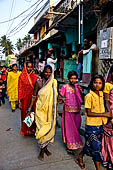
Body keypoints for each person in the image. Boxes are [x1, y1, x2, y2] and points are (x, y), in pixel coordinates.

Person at [75, 75, 112, 170]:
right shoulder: (89, 96)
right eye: (95, 82)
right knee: (96, 149)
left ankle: (80, 157)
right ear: (92, 83)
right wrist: (104, 114)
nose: (97, 85)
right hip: (91, 126)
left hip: (100, 125)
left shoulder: (101, 95)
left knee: (89, 145)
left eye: (100, 83)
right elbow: (89, 112)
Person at [27, 65, 57, 161]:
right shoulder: (38, 82)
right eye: (46, 72)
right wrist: (29, 108)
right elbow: (34, 96)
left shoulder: (54, 82)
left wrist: (60, 98)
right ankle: (42, 150)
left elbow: (56, 94)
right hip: (40, 110)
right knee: (41, 130)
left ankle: (44, 149)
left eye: (49, 72)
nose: (47, 74)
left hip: (50, 111)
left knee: (48, 129)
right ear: (43, 72)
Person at [59, 71, 84, 152]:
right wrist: (62, 99)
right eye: (71, 78)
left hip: (77, 111)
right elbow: (60, 98)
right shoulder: (65, 87)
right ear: (69, 78)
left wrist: (79, 90)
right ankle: (70, 146)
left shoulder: (78, 87)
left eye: (75, 78)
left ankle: (75, 142)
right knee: (70, 129)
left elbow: (81, 98)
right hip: (68, 111)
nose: (73, 80)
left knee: (76, 127)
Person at [18, 62, 39, 136]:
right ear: (25, 67)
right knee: (25, 114)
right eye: (28, 67)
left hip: (33, 98)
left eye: (31, 67)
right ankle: (25, 130)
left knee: (33, 113)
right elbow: (20, 89)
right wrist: (20, 101)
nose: (29, 69)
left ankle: (33, 128)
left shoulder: (35, 77)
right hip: (25, 99)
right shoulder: (21, 77)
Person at [102, 65, 113, 169]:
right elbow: (106, 101)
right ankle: (109, 159)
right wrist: (110, 115)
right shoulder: (108, 85)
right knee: (110, 139)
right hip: (110, 114)